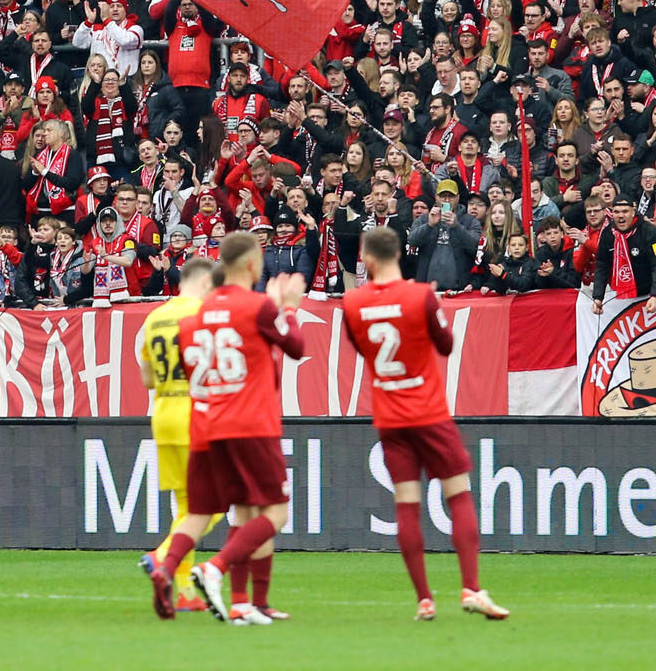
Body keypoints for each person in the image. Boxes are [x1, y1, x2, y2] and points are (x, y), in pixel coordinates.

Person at [341, 227, 509, 621]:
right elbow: (446, 346)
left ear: (365, 259)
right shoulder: (419, 296)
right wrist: (430, 308)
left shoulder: (353, 303)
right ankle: (470, 588)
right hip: (428, 412)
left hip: (389, 416)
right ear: (399, 255)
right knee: (459, 495)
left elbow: (360, 347)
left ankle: (424, 599)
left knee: (406, 505)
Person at [149, 232, 305, 625]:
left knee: (223, 511)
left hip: (204, 424)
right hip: (251, 423)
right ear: (253, 264)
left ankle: (227, 596)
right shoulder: (257, 306)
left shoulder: (191, 317)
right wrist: (287, 308)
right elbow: (297, 347)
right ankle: (215, 567)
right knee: (275, 513)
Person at [136, 255, 220, 612]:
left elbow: (147, 378)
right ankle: (162, 555)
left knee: (186, 506)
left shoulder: (155, 316)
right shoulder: (202, 316)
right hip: (195, 412)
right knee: (214, 504)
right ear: (204, 283)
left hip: (164, 412)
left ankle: (183, 589)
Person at [591, 196, 656, 315]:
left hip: (647, 296)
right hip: (618, 296)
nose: (620, 216)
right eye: (616, 212)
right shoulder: (607, 233)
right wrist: (598, 297)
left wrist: (655, 295)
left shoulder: (649, 231)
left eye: (625, 211)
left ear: (633, 212)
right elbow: (602, 266)